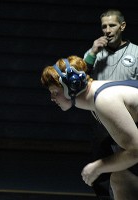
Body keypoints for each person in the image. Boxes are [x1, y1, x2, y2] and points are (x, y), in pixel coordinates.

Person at [40, 55, 138, 200]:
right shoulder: (98, 96)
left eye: (55, 92)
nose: (52, 99)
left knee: (120, 177)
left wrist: (97, 167)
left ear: (71, 86)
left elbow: (135, 151)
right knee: (120, 178)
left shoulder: (104, 101)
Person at [83, 9, 138, 199]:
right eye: (104, 26)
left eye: (112, 25)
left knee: (129, 164)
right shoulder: (96, 54)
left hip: (128, 120)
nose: (107, 30)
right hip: (100, 121)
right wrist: (91, 52)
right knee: (101, 168)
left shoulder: (136, 52)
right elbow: (78, 77)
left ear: (122, 26)